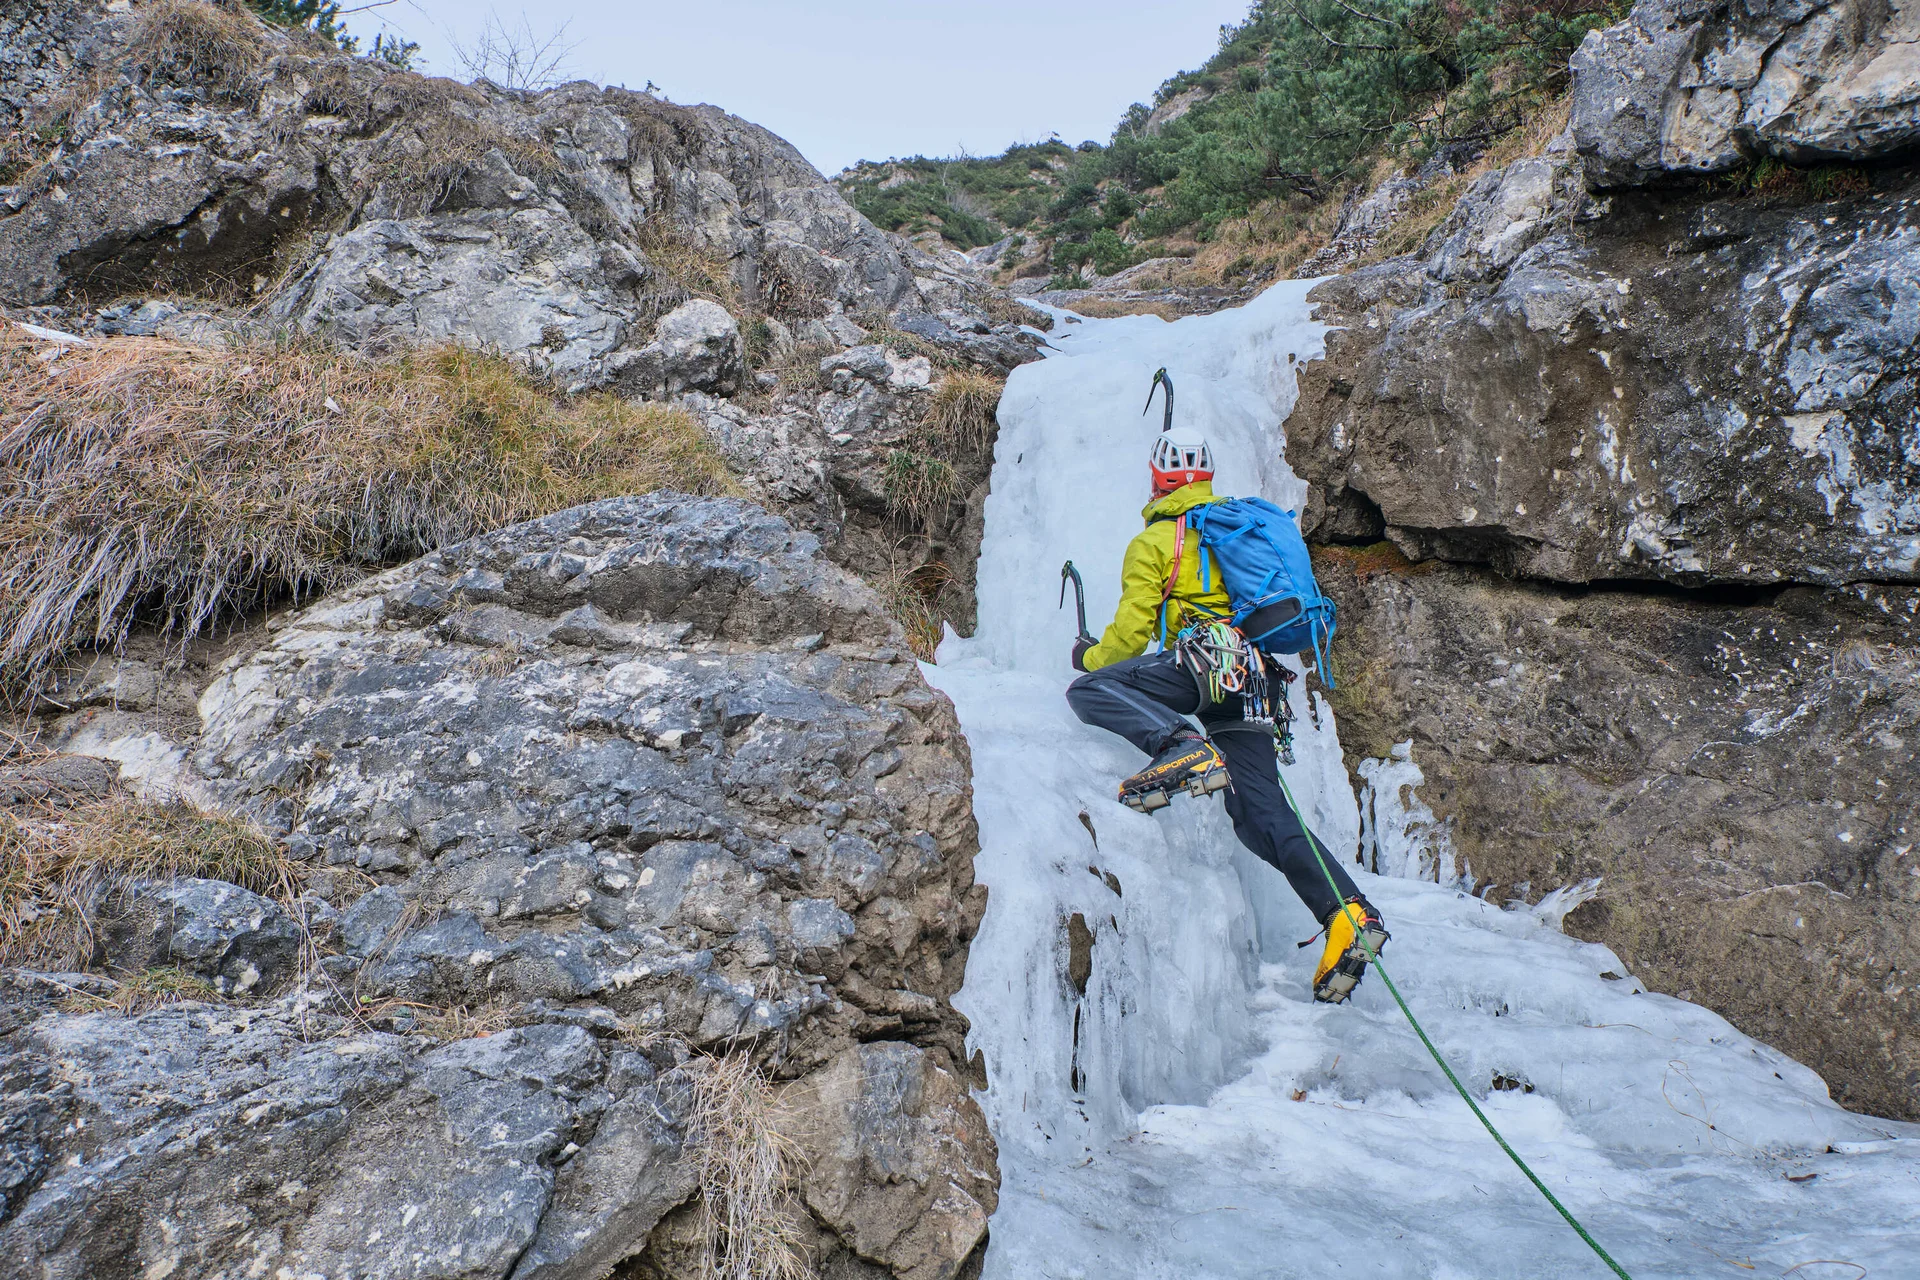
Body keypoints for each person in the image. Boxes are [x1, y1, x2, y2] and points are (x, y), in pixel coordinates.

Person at [1065, 425, 1388, 1004]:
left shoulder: (1159, 540)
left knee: (1091, 688)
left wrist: (1087, 654)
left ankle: (1177, 745)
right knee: (1260, 813)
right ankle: (1349, 914)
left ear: (1160, 478)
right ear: (1208, 478)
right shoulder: (1237, 531)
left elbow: (1130, 638)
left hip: (1198, 667)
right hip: (1253, 684)